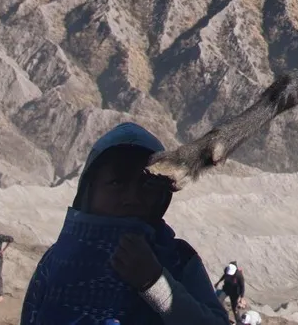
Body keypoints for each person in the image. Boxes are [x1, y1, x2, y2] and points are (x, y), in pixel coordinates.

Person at [20, 122, 229, 324]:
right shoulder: (56, 261)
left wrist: (155, 284)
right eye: (116, 183)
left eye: (147, 185)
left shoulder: (178, 260)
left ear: (162, 195)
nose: (132, 198)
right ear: (89, 192)